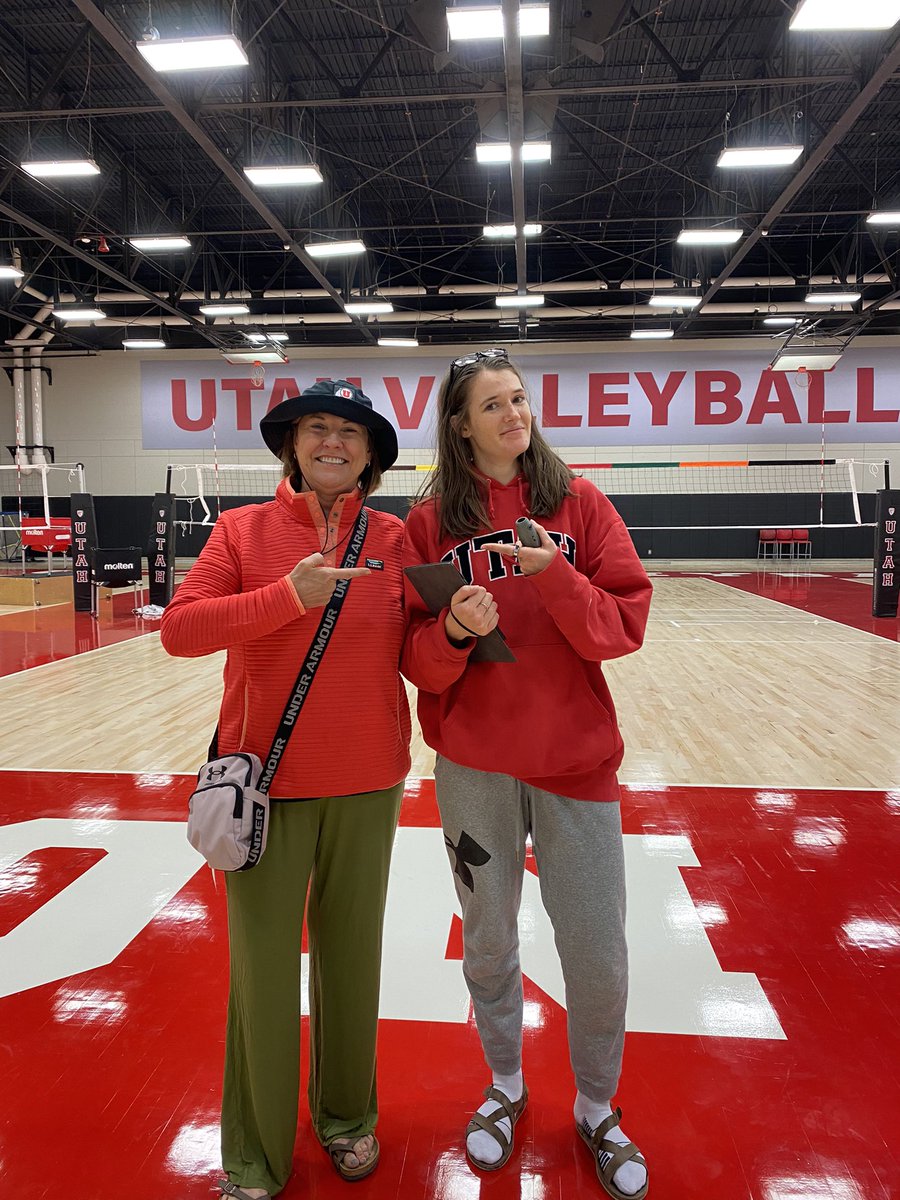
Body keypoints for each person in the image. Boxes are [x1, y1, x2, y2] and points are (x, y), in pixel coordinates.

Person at [401, 349, 652, 1200]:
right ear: (460, 423)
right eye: (493, 404)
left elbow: (622, 627)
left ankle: (596, 1106)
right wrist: (455, 636)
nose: (515, 414)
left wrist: (559, 580)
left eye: (519, 398)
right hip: (474, 766)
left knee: (596, 949)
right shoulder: (430, 520)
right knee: (489, 940)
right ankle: (505, 1086)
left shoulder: (578, 503)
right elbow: (416, 661)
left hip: (577, 762)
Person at [160, 380, 411, 1200]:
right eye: (316, 429)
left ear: (371, 452)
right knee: (261, 978)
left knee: (352, 965)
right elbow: (180, 631)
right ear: (292, 446)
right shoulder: (240, 531)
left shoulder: (397, 538)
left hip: (368, 782)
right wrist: (285, 597)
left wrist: (455, 630)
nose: (332, 442)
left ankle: (345, 1119)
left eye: (349, 431)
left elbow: (421, 660)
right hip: (263, 787)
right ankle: (254, 1161)